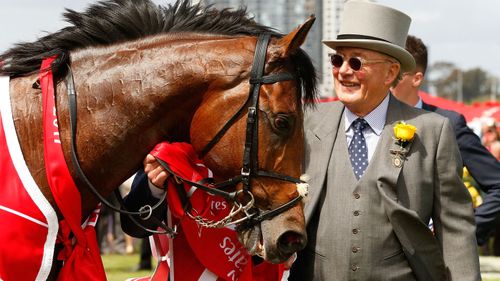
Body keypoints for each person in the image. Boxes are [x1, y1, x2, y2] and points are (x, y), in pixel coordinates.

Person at [288, 1, 480, 280]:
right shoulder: (306, 122)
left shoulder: (433, 131)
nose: (343, 71)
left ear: (390, 72)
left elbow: (455, 228)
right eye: (337, 60)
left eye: (356, 62)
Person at [391, 34, 500, 247]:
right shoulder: (367, 122)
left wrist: (466, 234)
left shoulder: (449, 123)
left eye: (396, 73)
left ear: (417, 78)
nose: (388, 79)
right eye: (385, 70)